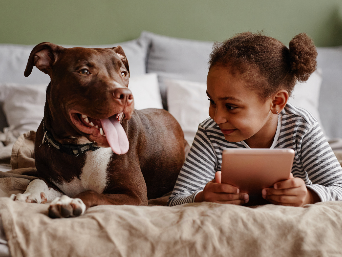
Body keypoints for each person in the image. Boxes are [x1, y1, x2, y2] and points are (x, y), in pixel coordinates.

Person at [168, 32, 342, 207]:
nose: (216, 117)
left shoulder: (301, 128)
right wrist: (202, 197)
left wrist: (309, 196)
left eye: (230, 106)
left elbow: (339, 188)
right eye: (212, 101)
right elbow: (176, 200)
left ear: (276, 102)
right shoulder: (209, 133)